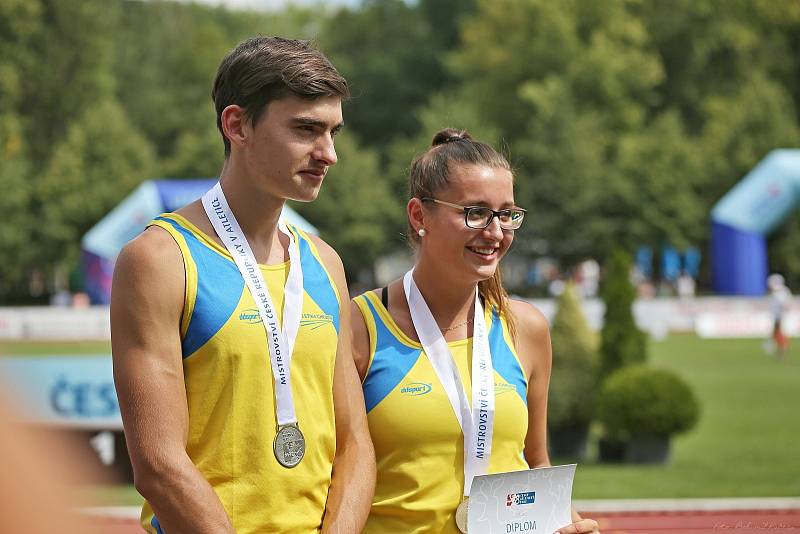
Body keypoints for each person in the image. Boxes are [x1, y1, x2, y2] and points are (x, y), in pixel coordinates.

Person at [111, 37, 375, 534]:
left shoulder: (324, 262)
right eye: (306, 130)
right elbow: (159, 465)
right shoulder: (159, 259)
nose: (329, 154)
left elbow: (354, 442)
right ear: (237, 125)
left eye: (333, 132)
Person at [350, 129, 599, 533]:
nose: (496, 232)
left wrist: (567, 522)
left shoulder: (526, 328)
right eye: (476, 212)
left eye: (507, 214)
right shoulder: (358, 327)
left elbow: (535, 461)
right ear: (419, 216)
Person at [766, 273, 792, 358]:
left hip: (780, 316)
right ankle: (779, 350)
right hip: (778, 315)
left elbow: (785, 305)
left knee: (779, 333)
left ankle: (781, 350)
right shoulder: (782, 291)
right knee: (777, 332)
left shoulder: (780, 293)